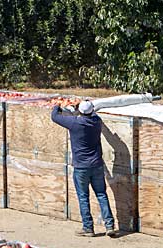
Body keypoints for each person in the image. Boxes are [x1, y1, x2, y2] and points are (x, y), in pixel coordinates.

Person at [51, 100, 119, 238]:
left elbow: (54, 116)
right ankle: (109, 225)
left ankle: (88, 228)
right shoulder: (96, 122)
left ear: (80, 112)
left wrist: (57, 106)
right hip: (97, 165)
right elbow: (91, 114)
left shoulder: (74, 123)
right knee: (101, 194)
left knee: (83, 197)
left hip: (81, 167)